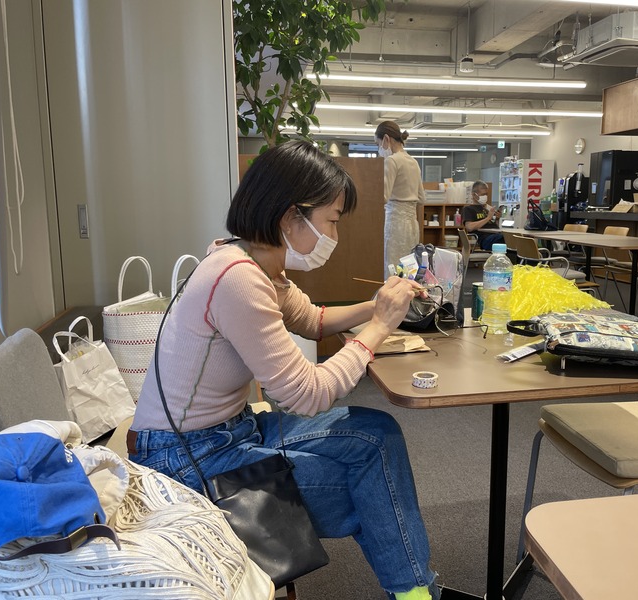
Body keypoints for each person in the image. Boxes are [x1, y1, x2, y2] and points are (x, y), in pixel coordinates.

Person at [128, 141, 440, 600]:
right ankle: (416, 593)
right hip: (185, 460)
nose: (334, 234)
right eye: (331, 220)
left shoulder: (250, 260)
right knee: (368, 487)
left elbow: (311, 319)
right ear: (291, 216)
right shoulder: (237, 278)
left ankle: (412, 590)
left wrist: (376, 306)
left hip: (227, 432)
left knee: (378, 434)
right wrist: (378, 328)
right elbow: (307, 395)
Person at [375, 121, 426, 279]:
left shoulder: (392, 160)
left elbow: (383, 197)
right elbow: (422, 198)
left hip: (395, 223)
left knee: (393, 266)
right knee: (409, 267)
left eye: (378, 144)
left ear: (386, 139)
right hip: (412, 224)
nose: (379, 148)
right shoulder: (413, 161)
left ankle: (393, 295)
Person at [462, 180, 504, 251]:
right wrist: (488, 218)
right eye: (483, 195)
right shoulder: (468, 209)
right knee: (505, 239)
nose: (485, 197)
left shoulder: (487, 208)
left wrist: (497, 219)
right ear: (474, 195)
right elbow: (469, 227)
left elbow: (494, 227)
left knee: (512, 238)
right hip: (485, 239)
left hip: (495, 236)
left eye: (486, 194)